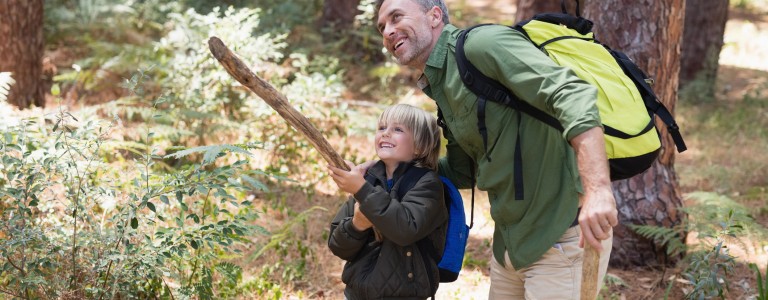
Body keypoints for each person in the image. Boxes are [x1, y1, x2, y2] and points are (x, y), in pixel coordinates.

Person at [373, 0, 618, 299]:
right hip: (509, 246)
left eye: (396, 17)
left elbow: (572, 94)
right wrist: (388, 172)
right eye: (382, 26)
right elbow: (464, 172)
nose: (388, 31)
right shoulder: (442, 82)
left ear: (434, 16)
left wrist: (599, 189)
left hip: (562, 238)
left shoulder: (483, 45)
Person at [327, 103, 448, 299]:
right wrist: (357, 224)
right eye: (382, 128)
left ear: (419, 146)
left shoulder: (427, 184)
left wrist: (362, 190)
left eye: (397, 129)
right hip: (356, 294)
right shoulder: (368, 180)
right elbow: (337, 246)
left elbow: (406, 229)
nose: (386, 133)